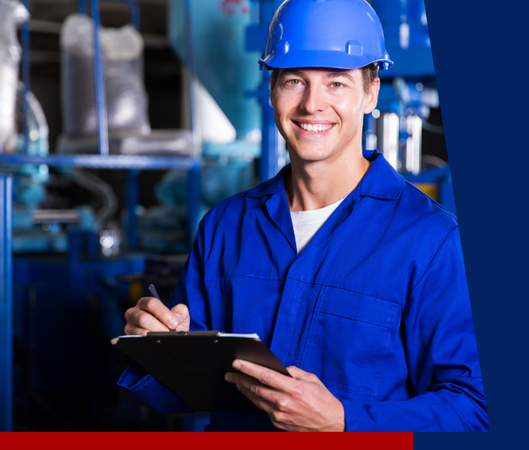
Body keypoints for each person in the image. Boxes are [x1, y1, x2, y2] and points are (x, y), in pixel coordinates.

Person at [118, 0, 488, 431]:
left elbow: (475, 409)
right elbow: (191, 385)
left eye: (336, 83)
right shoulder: (226, 227)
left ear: (370, 93)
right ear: (273, 89)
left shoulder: (429, 240)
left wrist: (345, 421)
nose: (313, 104)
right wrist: (155, 345)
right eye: (295, 81)